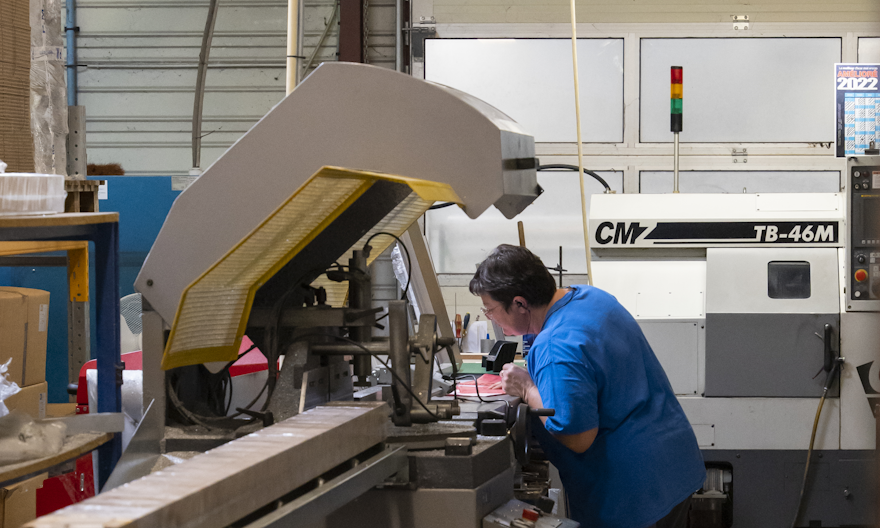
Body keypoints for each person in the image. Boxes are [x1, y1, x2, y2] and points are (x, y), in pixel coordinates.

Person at [470, 244, 706, 528]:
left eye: (490, 309)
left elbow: (577, 437)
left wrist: (527, 389)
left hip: (633, 494)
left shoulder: (555, 344)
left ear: (520, 304)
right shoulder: (591, 297)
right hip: (674, 464)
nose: (491, 317)